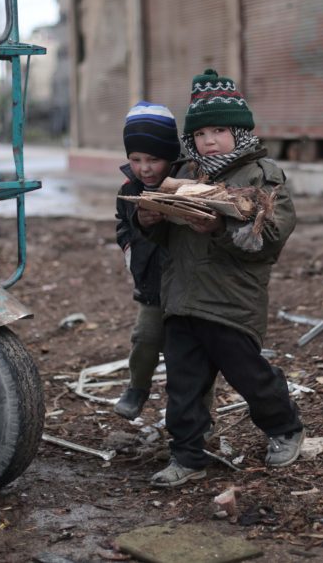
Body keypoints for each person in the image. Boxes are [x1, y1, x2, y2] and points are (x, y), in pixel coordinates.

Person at [142, 68, 304, 488]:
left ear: (239, 131)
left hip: (232, 301)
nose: (208, 141)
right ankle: (188, 456)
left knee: (249, 375)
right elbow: (163, 237)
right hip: (181, 299)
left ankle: (285, 427)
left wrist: (219, 227)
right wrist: (150, 216)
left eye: (218, 130)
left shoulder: (261, 175)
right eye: (199, 134)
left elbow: (268, 240)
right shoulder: (184, 173)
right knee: (183, 384)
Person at [113, 101, 182, 419]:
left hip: (186, 289)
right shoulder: (128, 189)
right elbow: (122, 225)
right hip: (150, 285)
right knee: (144, 339)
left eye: (154, 159)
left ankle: (192, 411)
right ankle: (137, 387)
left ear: (170, 156)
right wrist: (130, 251)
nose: (145, 168)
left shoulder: (187, 188)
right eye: (136, 159)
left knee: (187, 355)